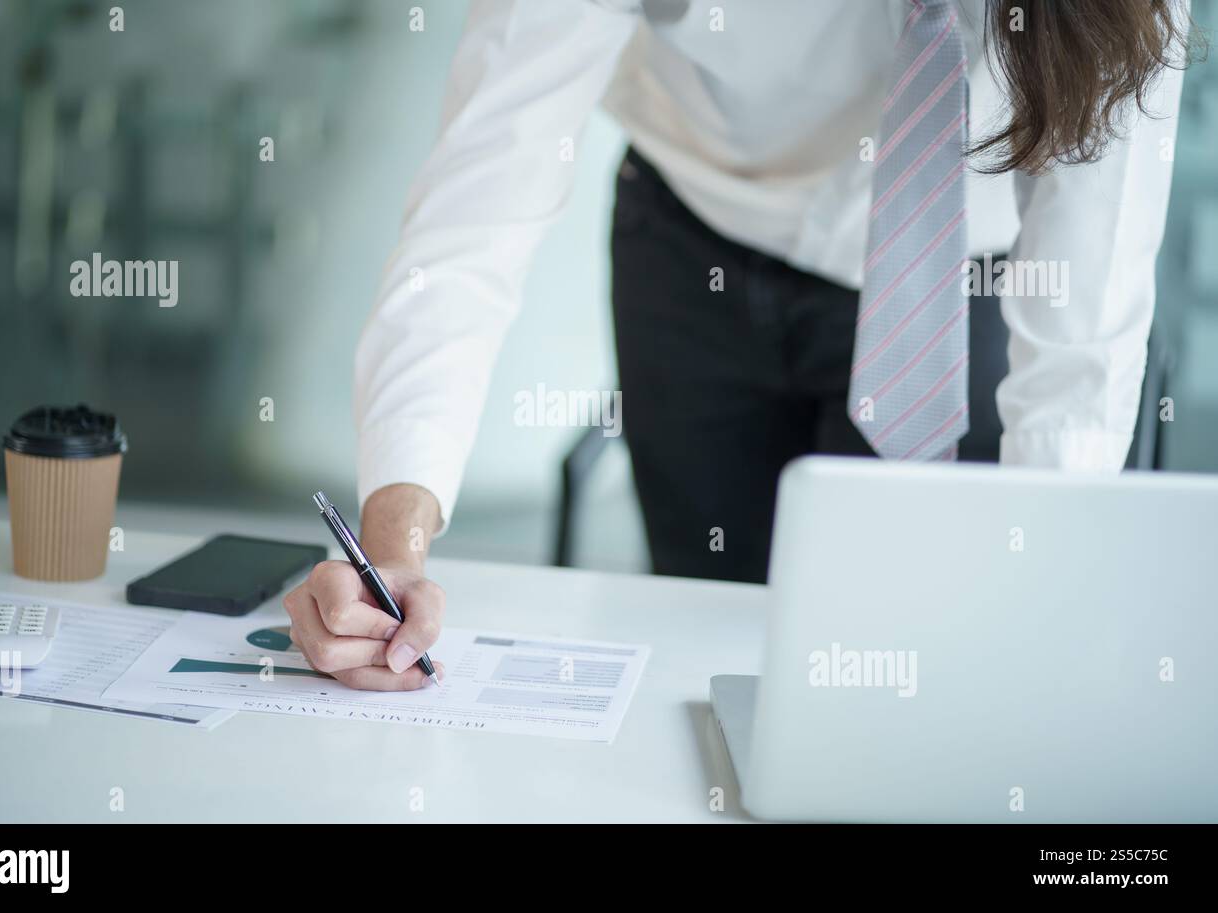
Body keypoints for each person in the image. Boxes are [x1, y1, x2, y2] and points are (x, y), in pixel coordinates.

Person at [284, 0, 1199, 691]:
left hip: (956, 284)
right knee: (712, 658)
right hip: (697, 246)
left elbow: (1091, 288)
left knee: (940, 666)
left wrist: (1051, 582)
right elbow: (477, 204)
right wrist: (392, 542)